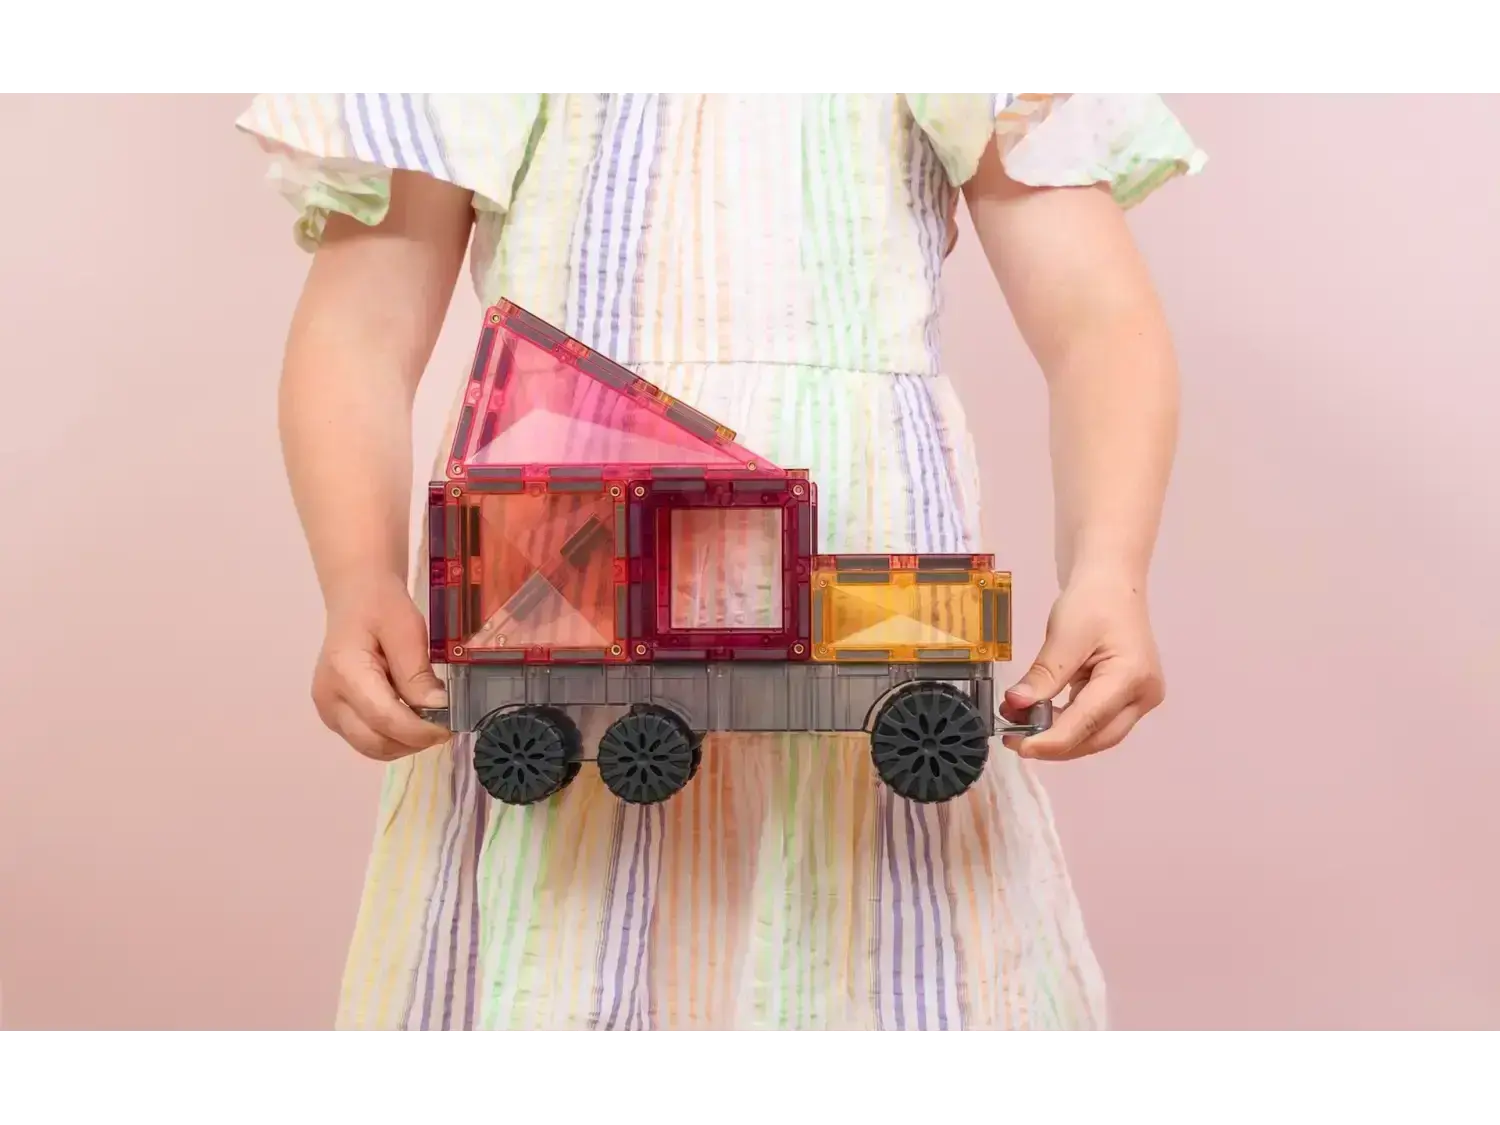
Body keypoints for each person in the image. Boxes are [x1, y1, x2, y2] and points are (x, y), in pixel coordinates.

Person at [238, 88, 1204, 1032]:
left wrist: (1109, 566)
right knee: (567, 945)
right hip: (564, 551)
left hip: (848, 554)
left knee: (886, 947)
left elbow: (1097, 321)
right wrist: (356, 574)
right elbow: (361, 328)